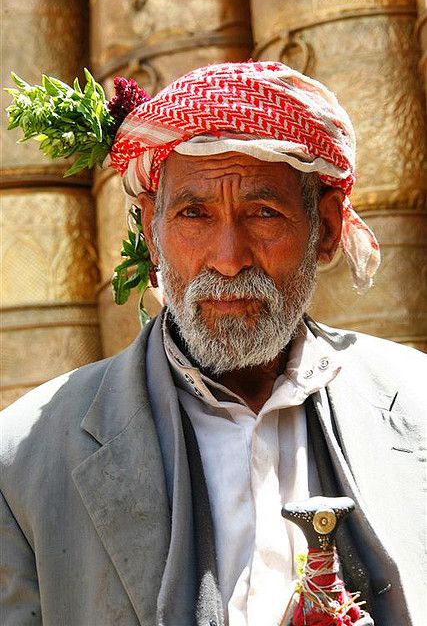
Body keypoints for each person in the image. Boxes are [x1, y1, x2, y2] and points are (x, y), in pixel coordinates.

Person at [0, 62, 425, 626]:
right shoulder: (25, 463)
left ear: (323, 229)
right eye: (193, 214)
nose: (228, 258)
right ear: (151, 232)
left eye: (263, 212)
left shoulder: (415, 403)